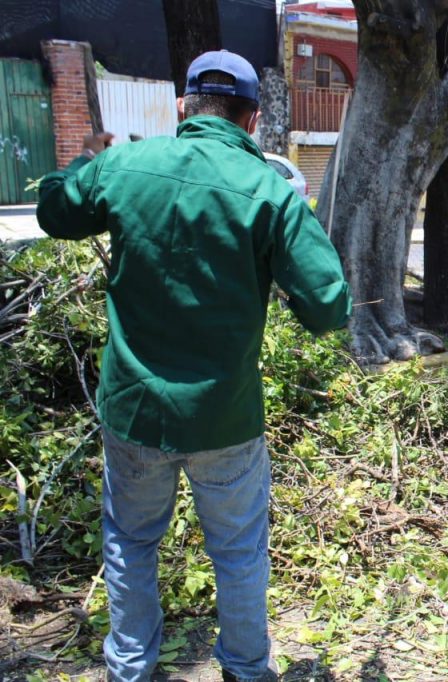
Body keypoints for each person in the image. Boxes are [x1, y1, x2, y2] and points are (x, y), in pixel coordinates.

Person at [36, 50, 351, 682]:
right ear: (253, 119)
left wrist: (84, 159)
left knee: (131, 543)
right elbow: (328, 308)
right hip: (224, 417)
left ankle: (130, 668)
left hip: (134, 411)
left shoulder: (124, 166)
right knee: (237, 553)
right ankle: (245, 670)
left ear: (183, 107)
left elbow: (55, 212)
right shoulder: (270, 192)